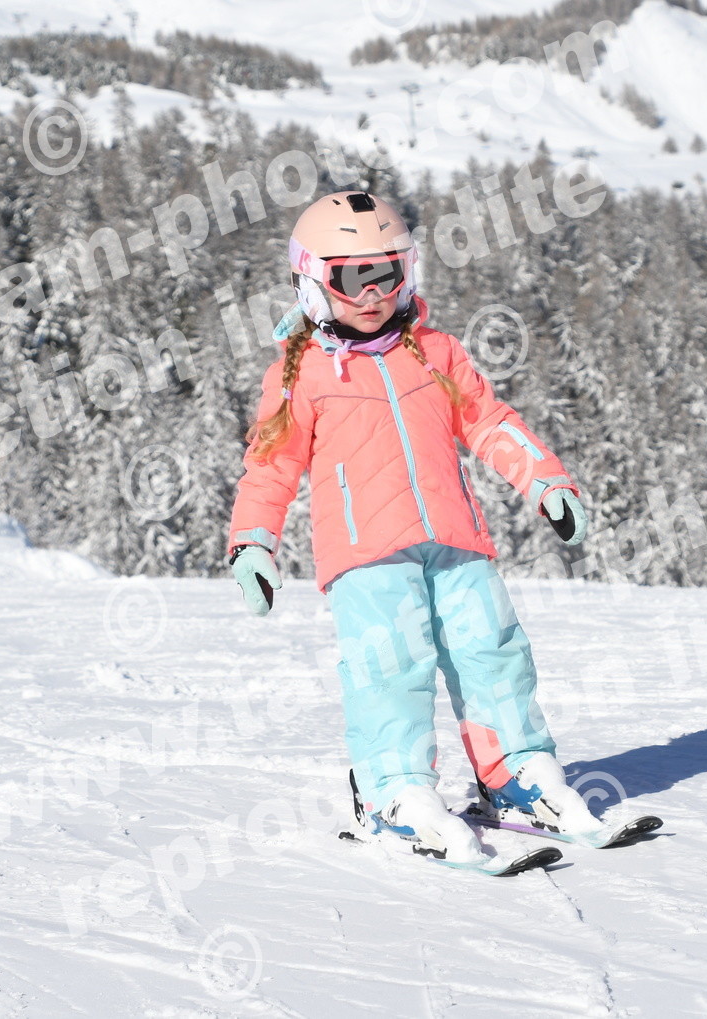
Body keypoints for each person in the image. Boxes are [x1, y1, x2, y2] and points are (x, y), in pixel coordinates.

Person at [225, 190, 614, 864]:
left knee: (493, 651)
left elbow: (488, 422)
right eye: (352, 278)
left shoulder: (435, 351)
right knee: (391, 667)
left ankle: (518, 777)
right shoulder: (302, 373)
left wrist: (546, 481)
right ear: (312, 280)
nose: (373, 294)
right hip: (366, 555)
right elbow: (270, 465)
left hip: (456, 540)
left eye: (387, 273)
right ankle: (395, 793)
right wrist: (253, 543)